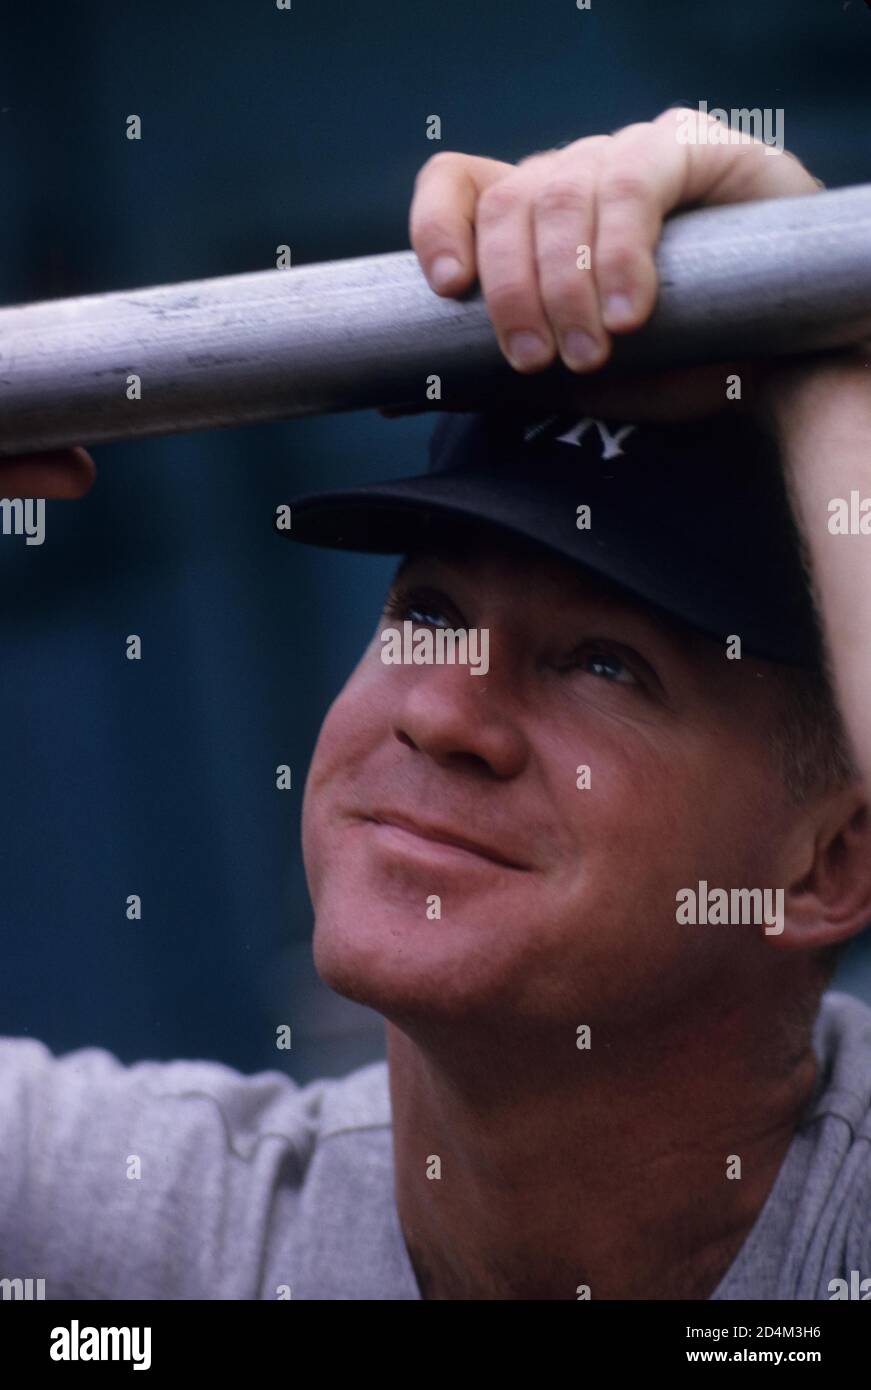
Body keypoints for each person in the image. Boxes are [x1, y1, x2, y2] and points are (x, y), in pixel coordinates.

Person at [1, 107, 870, 1301]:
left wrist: (828, 316)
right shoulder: (166, 1233)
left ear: (830, 857)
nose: (443, 715)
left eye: (603, 662)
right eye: (427, 612)